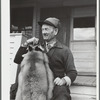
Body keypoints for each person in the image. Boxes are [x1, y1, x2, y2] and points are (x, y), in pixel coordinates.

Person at [14, 17, 77, 100]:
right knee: (14, 88)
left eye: (46, 29)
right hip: (38, 85)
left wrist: (63, 80)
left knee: (62, 94)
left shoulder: (64, 50)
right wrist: (26, 43)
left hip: (55, 85)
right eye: (43, 29)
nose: (43, 32)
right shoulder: (36, 47)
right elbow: (17, 60)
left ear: (55, 31)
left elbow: (72, 72)